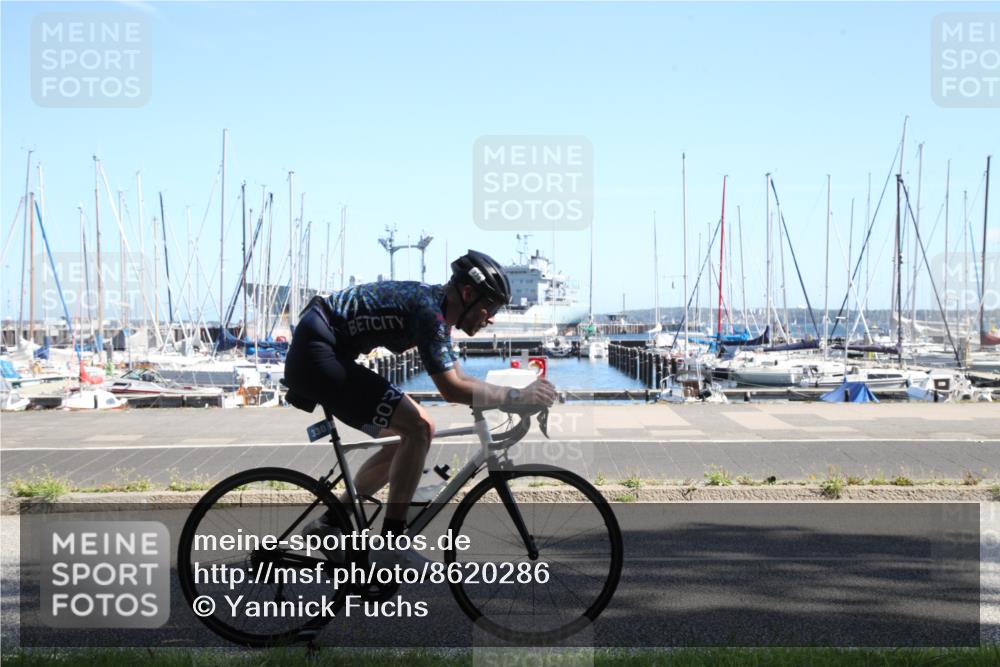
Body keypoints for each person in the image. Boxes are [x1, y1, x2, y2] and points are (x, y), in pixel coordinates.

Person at [282, 249, 557, 566]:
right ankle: (392, 544)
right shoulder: (430, 313)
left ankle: (330, 523)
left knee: (405, 437)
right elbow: (452, 389)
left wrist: (512, 395)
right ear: (468, 293)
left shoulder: (438, 312)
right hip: (318, 353)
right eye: (489, 306)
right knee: (420, 427)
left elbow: (459, 376)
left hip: (324, 349)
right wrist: (515, 398)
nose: (491, 316)